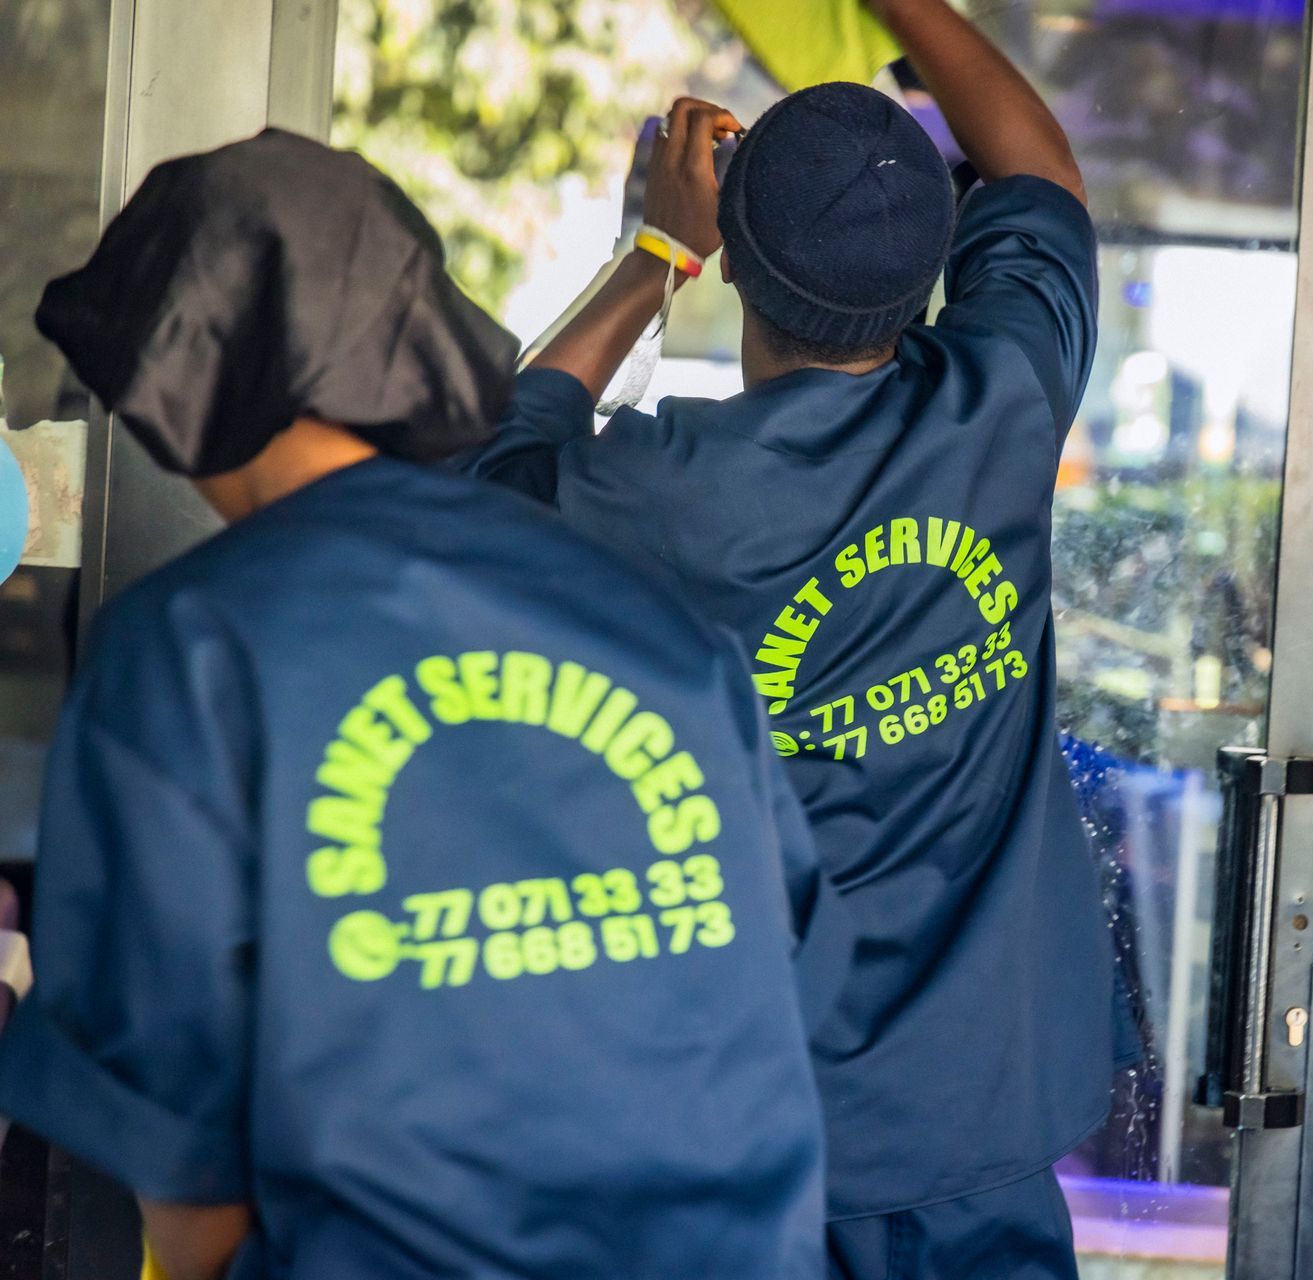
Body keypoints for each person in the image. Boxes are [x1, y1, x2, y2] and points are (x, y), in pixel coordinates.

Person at [0, 129, 839, 1280]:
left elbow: (186, 1183)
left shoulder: (187, 653)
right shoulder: (652, 616)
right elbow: (784, 981)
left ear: (171, 385)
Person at [465, 1, 1119, 1273]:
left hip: (747, 1134)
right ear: (936, 263)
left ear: (740, 267)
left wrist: (657, 249)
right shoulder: (1000, 397)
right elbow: (1041, 173)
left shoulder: (656, 489)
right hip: (981, 1122)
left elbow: (494, 467)